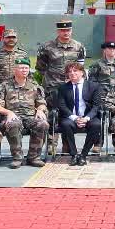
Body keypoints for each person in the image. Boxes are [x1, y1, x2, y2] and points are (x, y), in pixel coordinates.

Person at [36, 20, 87, 156]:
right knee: (53, 115)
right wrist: (52, 78)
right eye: (63, 31)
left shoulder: (79, 46)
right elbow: (40, 67)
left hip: (71, 88)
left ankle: (67, 145)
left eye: (68, 30)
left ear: (71, 31)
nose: (66, 33)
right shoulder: (47, 47)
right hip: (53, 87)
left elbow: (81, 67)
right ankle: (52, 145)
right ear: (58, 31)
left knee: (69, 115)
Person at [0, 58, 49, 169]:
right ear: (14, 70)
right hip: (11, 118)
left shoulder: (35, 86)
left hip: (30, 117)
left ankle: (34, 157)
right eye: (21, 68)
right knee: (14, 124)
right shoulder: (4, 86)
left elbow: (42, 103)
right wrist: (9, 112)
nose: (24, 70)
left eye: (26, 68)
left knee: (42, 124)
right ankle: (17, 158)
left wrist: (40, 110)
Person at [56, 62, 104, 166]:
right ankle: (73, 155)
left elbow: (96, 106)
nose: (72, 73)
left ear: (82, 72)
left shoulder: (93, 86)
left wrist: (86, 118)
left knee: (96, 125)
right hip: (71, 117)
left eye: (75, 71)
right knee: (65, 124)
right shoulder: (63, 88)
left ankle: (83, 155)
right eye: (69, 72)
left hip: (88, 116)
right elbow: (62, 106)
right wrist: (75, 118)